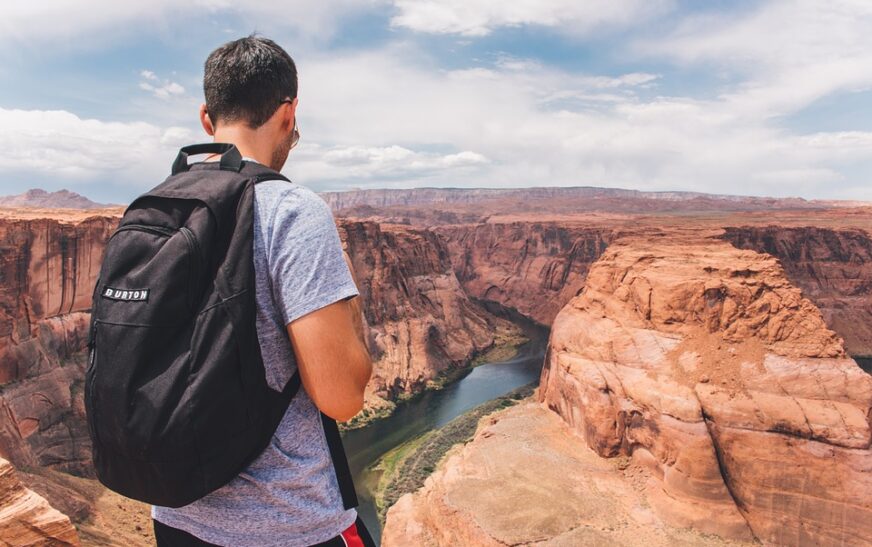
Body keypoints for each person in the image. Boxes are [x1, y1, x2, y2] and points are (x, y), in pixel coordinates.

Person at [150, 35, 375, 547]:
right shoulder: (293, 210)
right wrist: (353, 316)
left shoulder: (156, 211)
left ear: (206, 119)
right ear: (289, 113)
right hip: (289, 524)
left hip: (175, 516)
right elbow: (342, 398)